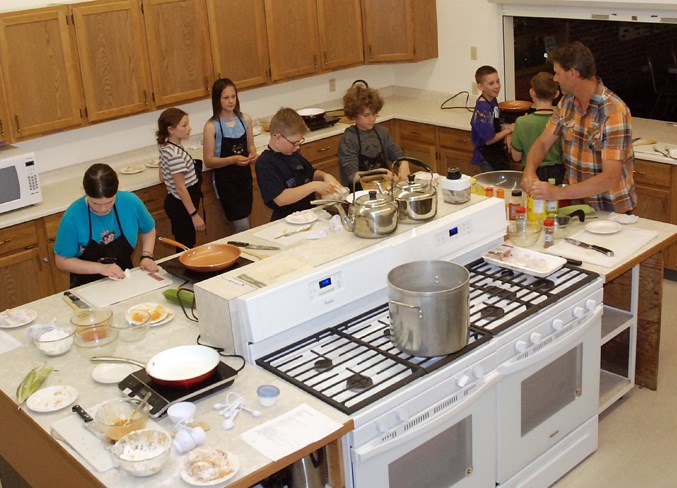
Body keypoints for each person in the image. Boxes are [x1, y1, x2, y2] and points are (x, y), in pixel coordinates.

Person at [520, 42, 636, 214]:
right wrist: (529, 172)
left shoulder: (613, 111)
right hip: (579, 207)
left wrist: (557, 192)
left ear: (573, 73)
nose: (555, 79)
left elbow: (610, 178)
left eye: (558, 73)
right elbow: (543, 143)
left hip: (612, 212)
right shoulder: (566, 103)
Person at [54, 163, 158, 288]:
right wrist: (100, 268)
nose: (103, 209)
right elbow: (62, 261)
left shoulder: (130, 202)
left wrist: (147, 255)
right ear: (86, 193)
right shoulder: (73, 217)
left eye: (109, 202)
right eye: (95, 203)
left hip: (124, 279)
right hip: (86, 287)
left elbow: (148, 230)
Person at [255, 108, 342, 221]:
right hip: (286, 220)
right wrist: (314, 186)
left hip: (309, 214)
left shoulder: (293, 154)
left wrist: (325, 176)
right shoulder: (265, 163)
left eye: (299, 142)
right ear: (278, 137)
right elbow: (280, 198)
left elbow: (311, 173)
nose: (297, 147)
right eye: (294, 143)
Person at [202, 78, 257, 233]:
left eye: (233, 96)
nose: (231, 101)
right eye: (226, 98)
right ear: (217, 99)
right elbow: (209, 160)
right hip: (226, 183)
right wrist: (232, 159)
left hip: (244, 178)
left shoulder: (245, 119)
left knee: (247, 222)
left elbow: (250, 145)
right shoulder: (211, 126)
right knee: (243, 226)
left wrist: (253, 153)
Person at [337, 83, 409, 189]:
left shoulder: (382, 132)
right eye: (366, 115)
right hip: (359, 193)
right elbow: (352, 177)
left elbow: (396, 153)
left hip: (384, 189)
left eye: (374, 114)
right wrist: (380, 173)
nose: (372, 119)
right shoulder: (349, 139)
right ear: (354, 115)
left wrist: (404, 163)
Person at [157, 107, 205, 249]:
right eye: (184, 125)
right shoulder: (175, 154)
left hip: (179, 204)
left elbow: (162, 177)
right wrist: (194, 215)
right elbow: (180, 187)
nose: (189, 128)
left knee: (185, 243)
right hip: (182, 207)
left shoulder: (168, 148)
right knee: (186, 246)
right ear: (171, 129)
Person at [510, 72, 565, 184]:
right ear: (557, 94)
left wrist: (509, 137)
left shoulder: (522, 122)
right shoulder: (561, 121)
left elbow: (516, 157)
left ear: (532, 92)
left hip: (531, 172)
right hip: (557, 172)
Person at [470, 65, 515, 173]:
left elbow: (497, 123)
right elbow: (489, 140)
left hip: (496, 153)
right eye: (491, 83)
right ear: (480, 86)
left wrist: (507, 132)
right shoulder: (483, 109)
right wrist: (509, 130)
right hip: (487, 157)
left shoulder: (492, 100)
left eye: (498, 81)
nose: (497, 86)